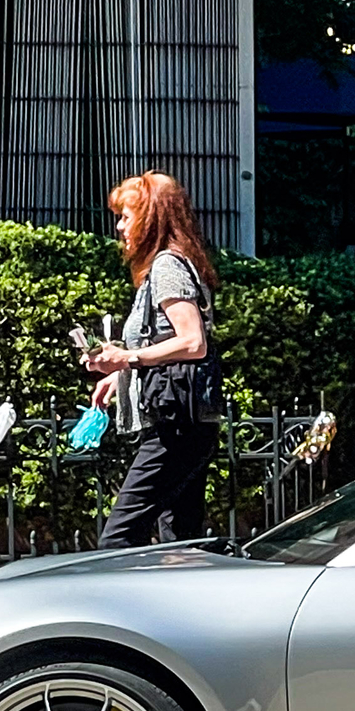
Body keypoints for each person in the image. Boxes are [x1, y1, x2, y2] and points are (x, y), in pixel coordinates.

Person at [83, 171, 222, 546]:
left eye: (127, 216)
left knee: (118, 538)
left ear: (151, 219)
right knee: (180, 541)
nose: (120, 226)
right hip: (189, 420)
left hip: (175, 423)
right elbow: (168, 342)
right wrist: (119, 376)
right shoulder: (173, 264)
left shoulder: (167, 266)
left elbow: (193, 341)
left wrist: (127, 359)